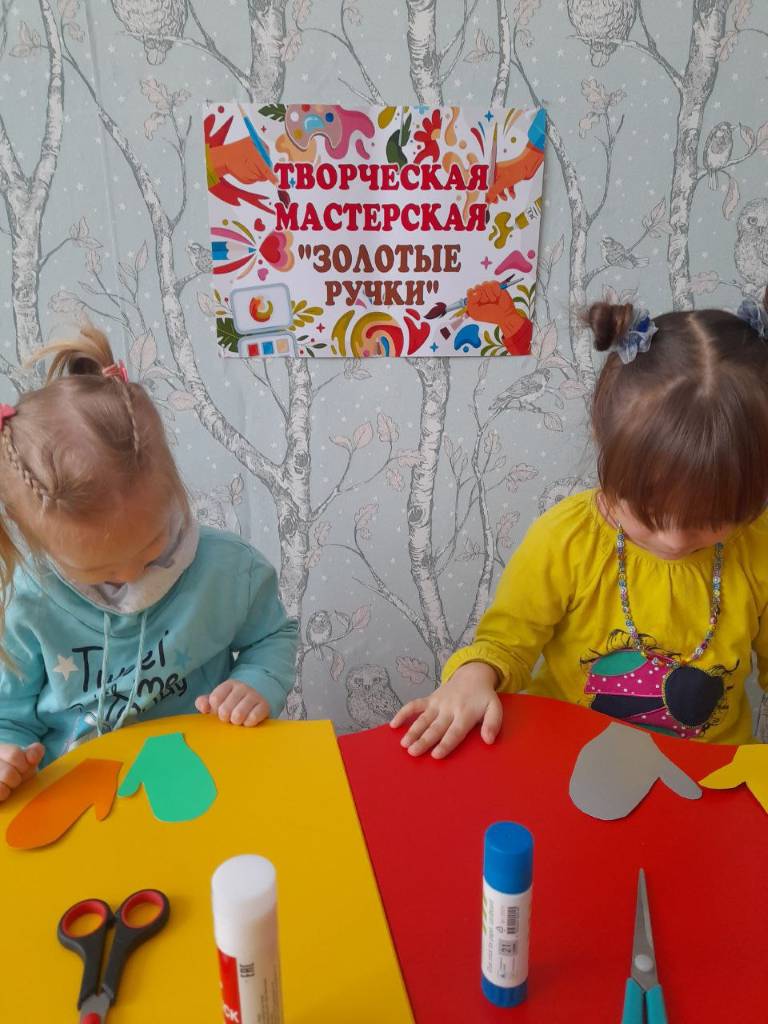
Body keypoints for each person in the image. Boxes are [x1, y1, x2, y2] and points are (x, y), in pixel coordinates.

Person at [393, 292, 768, 757]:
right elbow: (505, 643)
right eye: (647, 510)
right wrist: (473, 676)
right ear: (605, 444)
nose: (674, 539)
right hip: (568, 757)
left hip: (711, 768)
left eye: (714, 519)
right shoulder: (566, 539)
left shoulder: (758, 546)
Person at [0, 325, 297, 801]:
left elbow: (272, 635)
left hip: (205, 780)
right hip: (81, 802)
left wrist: (257, 681)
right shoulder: (27, 604)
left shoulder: (228, 569)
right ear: (40, 544)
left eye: (153, 547)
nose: (132, 576)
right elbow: (8, 717)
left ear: (173, 492)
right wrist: (6, 756)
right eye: (99, 572)